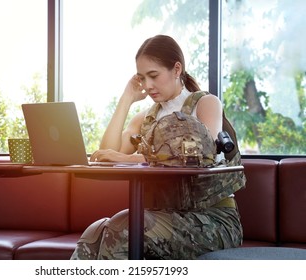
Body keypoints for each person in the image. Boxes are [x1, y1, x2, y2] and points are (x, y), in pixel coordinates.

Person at [70, 34, 245, 260]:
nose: (147, 85)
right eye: (142, 78)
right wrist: (126, 100)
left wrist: (124, 158)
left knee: (123, 230)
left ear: (176, 69)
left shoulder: (205, 104)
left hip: (214, 220)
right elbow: (107, 153)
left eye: (153, 76)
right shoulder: (147, 118)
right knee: (93, 236)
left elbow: (200, 157)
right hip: (165, 217)